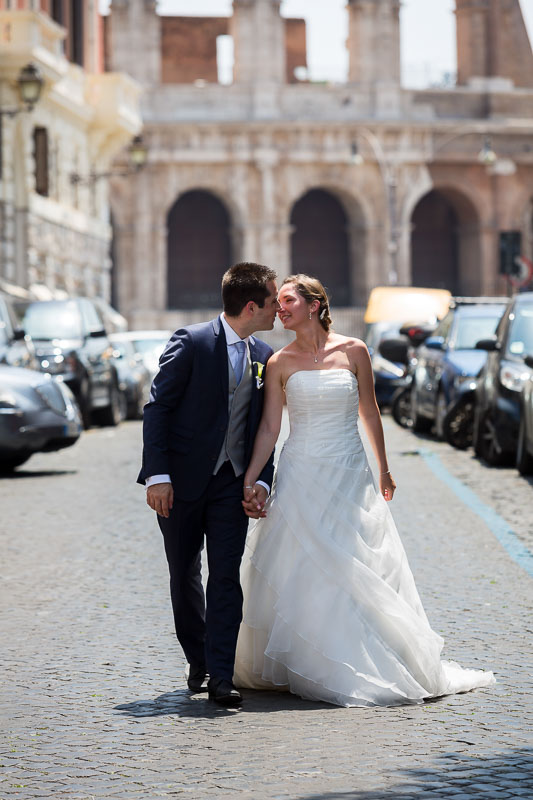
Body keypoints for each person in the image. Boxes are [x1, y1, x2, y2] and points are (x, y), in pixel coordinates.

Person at [233, 274, 495, 707]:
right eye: (277, 302)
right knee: (303, 561)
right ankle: (306, 656)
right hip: (301, 470)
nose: (279, 309)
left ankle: (362, 656)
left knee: (354, 558)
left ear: (314, 305)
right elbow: (269, 427)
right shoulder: (279, 361)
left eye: (287, 301)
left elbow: (370, 412)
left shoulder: (354, 351)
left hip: (348, 470)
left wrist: (385, 469)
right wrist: (251, 477)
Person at [139, 262, 278, 706]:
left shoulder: (266, 355)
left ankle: (221, 675)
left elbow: (265, 429)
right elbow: (157, 409)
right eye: (273, 301)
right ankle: (197, 659)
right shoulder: (193, 341)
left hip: (230, 484)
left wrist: (262, 482)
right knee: (183, 573)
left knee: (225, 576)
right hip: (179, 483)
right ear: (252, 305)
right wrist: (158, 476)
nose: (278, 310)